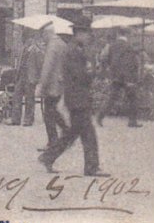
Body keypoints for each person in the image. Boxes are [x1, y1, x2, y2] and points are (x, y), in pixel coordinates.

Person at [38, 15, 109, 177]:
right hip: (77, 99)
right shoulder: (73, 51)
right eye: (87, 33)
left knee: (73, 133)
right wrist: (92, 71)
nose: (89, 36)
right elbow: (79, 76)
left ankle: (48, 157)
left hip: (77, 99)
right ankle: (91, 167)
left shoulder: (75, 49)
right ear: (79, 33)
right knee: (88, 134)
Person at [97, 28, 142, 127]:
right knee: (133, 98)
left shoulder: (111, 46)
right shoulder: (129, 47)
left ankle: (100, 116)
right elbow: (132, 63)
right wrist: (133, 77)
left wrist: (110, 68)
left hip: (115, 76)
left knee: (112, 97)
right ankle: (132, 121)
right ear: (127, 34)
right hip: (128, 77)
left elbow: (104, 58)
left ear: (118, 34)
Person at [37, 25, 69, 151]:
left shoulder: (52, 46)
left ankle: (54, 140)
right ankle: (64, 132)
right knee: (53, 111)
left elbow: (47, 67)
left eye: (42, 36)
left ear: (46, 34)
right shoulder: (62, 44)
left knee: (48, 113)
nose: (43, 39)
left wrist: (41, 85)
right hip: (60, 83)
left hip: (51, 85)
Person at [11, 29, 45, 126]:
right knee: (16, 96)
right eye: (25, 39)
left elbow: (40, 64)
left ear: (31, 38)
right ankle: (16, 119)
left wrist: (38, 78)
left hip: (30, 77)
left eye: (26, 38)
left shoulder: (36, 50)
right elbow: (19, 62)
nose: (25, 41)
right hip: (21, 75)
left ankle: (28, 119)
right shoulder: (23, 48)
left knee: (29, 99)